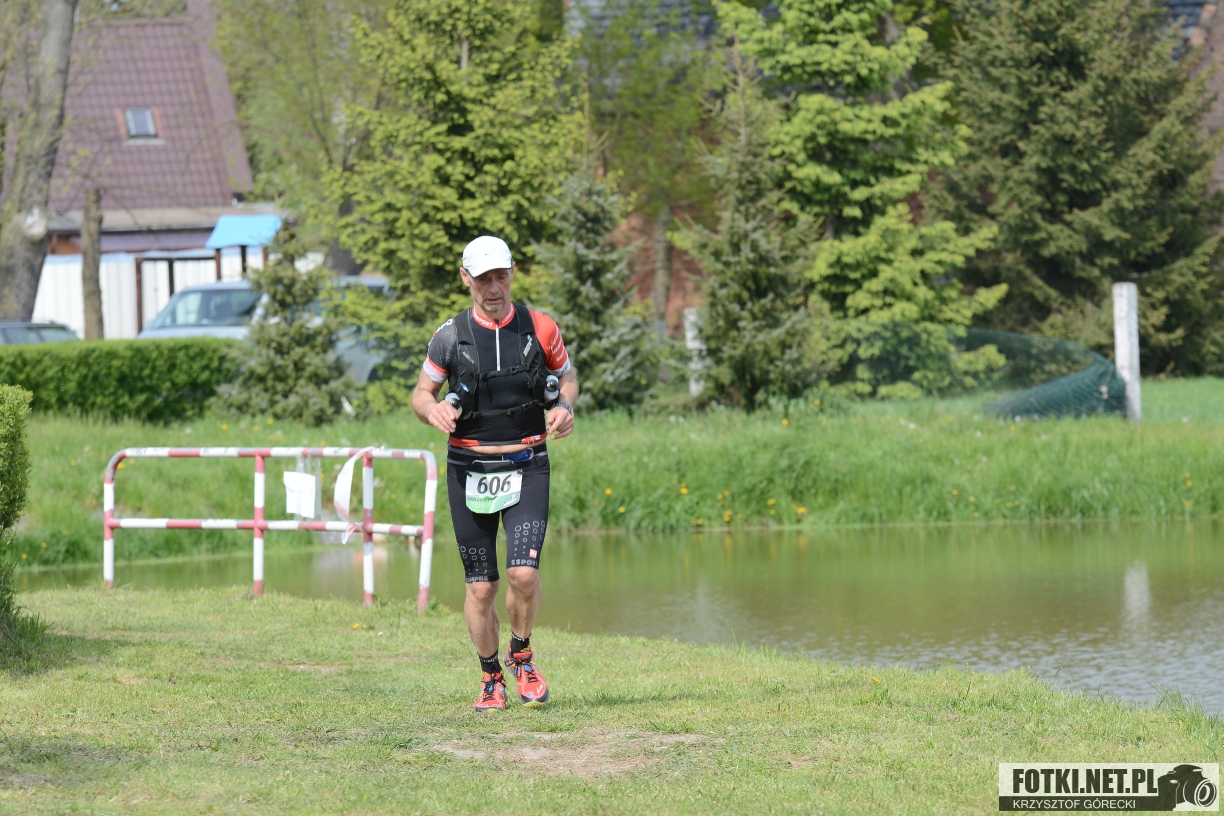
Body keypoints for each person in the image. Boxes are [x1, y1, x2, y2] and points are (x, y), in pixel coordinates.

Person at [412, 235, 578, 712]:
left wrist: (565, 407)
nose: (493, 288)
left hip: (527, 464)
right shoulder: (450, 336)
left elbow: (567, 378)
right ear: (466, 278)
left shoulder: (541, 327)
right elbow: (421, 393)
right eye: (483, 279)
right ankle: (491, 678)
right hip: (470, 468)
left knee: (523, 573)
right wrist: (433, 411)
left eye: (500, 277)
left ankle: (521, 656)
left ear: (512, 274)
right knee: (481, 587)